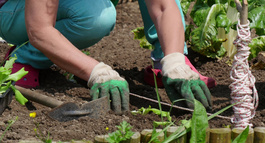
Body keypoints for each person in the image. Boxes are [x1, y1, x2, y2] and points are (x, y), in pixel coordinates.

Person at [0, 0, 213, 114]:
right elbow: (39, 29)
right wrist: (96, 72)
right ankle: (25, 56)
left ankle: (163, 61)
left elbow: (165, 6)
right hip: (14, 11)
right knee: (95, 17)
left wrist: (174, 61)